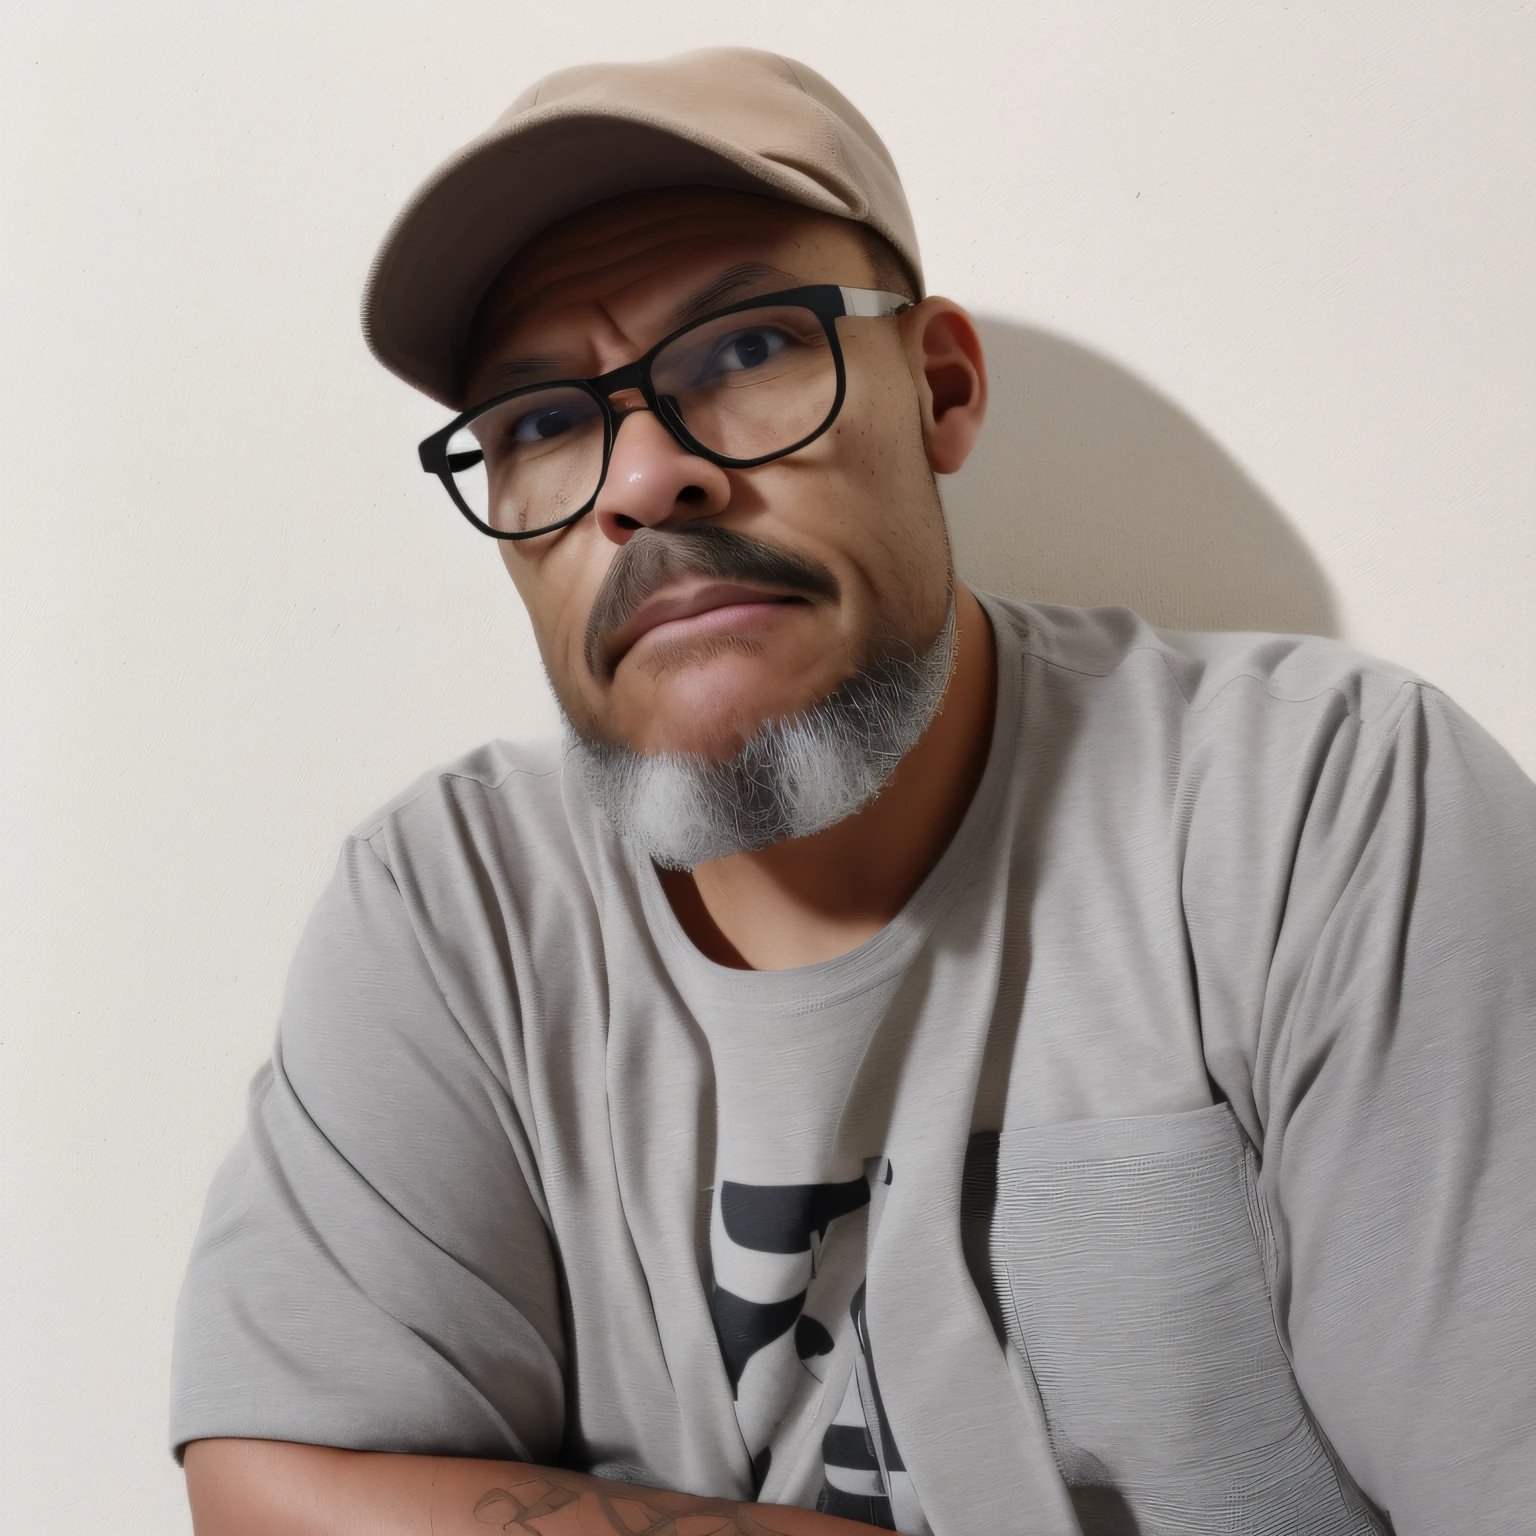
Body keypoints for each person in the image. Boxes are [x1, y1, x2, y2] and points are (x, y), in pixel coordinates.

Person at [171, 46, 1536, 1536]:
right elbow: (273, 1487)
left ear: (939, 389)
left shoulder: (1323, 808)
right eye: (542, 424)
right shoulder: (456, 908)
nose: (642, 481)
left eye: (749, 351)